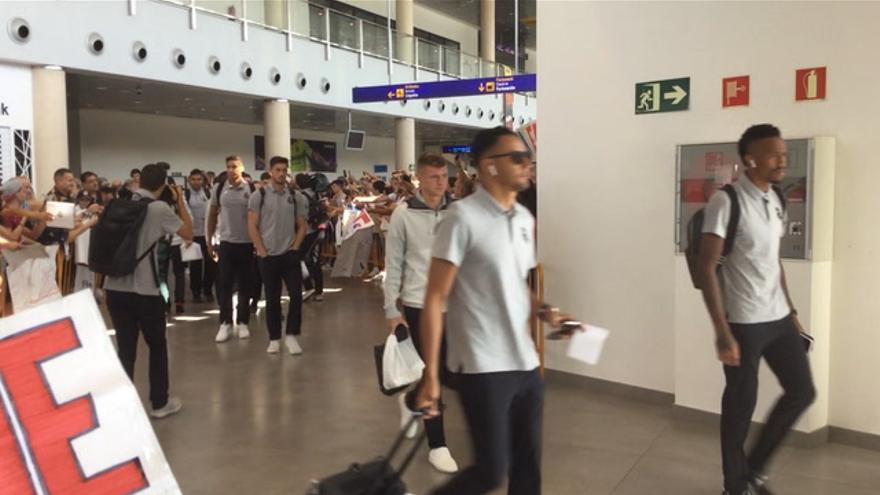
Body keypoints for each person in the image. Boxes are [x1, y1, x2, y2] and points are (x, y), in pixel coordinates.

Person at [415, 127, 576, 494]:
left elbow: (516, 284)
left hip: (525, 363)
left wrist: (547, 311)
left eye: (528, 158)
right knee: (490, 472)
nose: (527, 165)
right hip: (482, 365)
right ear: (488, 167)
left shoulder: (522, 218)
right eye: (517, 158)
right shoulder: (462, 218)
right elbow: (435, 297)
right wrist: (431, 378)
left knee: (528, 468)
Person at [698, 124, 815, 495]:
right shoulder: (727, 201)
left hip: (778, 317)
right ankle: (735, 486)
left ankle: (754, 470)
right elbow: (706, 266)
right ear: (750, 159)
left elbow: (772, 261)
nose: (782, 159)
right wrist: (722, 331)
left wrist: (792, 312)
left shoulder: (776, 197)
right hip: (745, 322)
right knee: (739, 408)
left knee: (802, 391)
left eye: (783, 153)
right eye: (773, 154)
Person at [384, 153, 458, 473]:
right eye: (433, 177)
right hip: (418, 304)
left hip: (455, 305)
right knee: (433, 374)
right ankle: (437, 444)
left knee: (448, 371)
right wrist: (391, 309)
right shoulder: (404, 214)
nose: (440, 182)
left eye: (444, 176)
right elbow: (394, 263)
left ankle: (411, 401)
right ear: (420, 180)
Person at [104, 163, 193, 419]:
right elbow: (187, 233)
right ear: (164, 184)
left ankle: (122, 406)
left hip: (115, 287)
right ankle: (159, 403)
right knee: (156, 345)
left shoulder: (120, 203)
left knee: (126, 349)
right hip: (145, 290)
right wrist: (180, 201)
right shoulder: (159, 208)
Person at [247, 156, 307, 355]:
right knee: (272, 299)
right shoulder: (259, 195)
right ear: (271, 172)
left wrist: (295, 247)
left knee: (296, 296)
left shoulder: (295, 196)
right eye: (278, 170)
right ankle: (274, 338)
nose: (281, 173)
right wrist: (262, 251)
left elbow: (302, 225)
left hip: (289, 255)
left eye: (284, 170)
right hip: (268, 256)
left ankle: (291, 335)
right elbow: (252, 225)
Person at [207, 155, 256, 342]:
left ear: (242, 168)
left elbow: (257, 217)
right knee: (224, 285)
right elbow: (212, 215)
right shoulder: (219, 189)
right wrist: (210, 241)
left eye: (234, 166)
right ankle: (225, 323)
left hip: (246, 243)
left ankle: (243, 321)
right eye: (228, 166)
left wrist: (258, 243)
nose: (231, 170)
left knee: (245, 285)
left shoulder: (251, 189)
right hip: (226, 243)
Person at [295, 173, 326, 303]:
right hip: (318, 230)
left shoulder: (299, 196)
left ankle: (309, 287)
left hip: (307, 231)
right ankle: (318, 291)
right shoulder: (316, 194)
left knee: (298, 258)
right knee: (313, 261)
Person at [186, 169, 215, 302]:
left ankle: (208, 289)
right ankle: (196, 291)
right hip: (193, 234)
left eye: (199, 179)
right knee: (195, 264)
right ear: (189, 180)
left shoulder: (209, 193)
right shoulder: (186, 195)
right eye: (194, 180)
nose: (196, 182)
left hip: (207, 233)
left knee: (210, 263)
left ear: (203, 181)